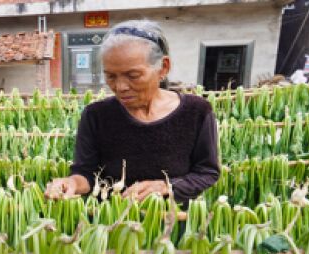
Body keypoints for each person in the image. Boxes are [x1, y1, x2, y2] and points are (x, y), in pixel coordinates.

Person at [45, 20, 220, 205]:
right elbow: (86, 173)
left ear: (164, 67)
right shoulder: (96, 115)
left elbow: (206, 172)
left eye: (133, 76)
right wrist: (71, 183)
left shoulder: (196, 112)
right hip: (112, 223)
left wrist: (167, 186)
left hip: (174, 223)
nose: (120, 87)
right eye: (110, 76)